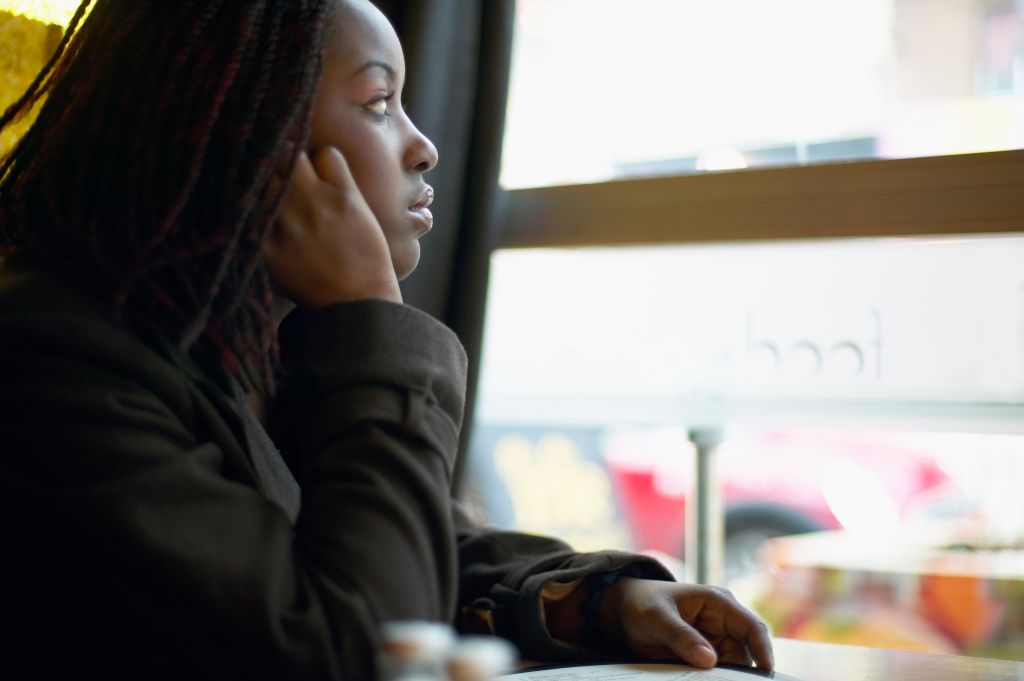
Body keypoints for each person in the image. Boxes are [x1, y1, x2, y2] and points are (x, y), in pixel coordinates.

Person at [0, 1, 774, 679]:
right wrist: (368, 311)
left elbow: (393, 541)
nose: (423, 145)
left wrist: (594, 601)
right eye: (380, 101)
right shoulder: (55, 367)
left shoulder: (220, 351)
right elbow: (363, 645)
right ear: (253, 130)